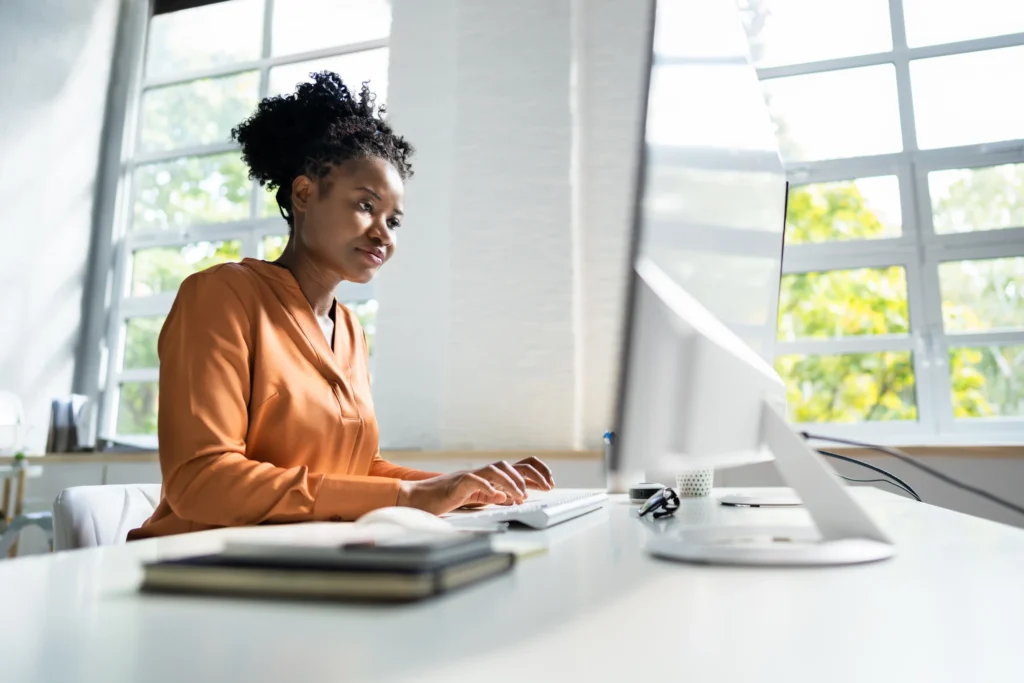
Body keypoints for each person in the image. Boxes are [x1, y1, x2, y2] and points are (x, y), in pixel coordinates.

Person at [128, 72, 554, 540]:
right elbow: (202, 481)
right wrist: (409, 498)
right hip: (195, 567)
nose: (384, 233)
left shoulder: (348, 329)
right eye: (366, 206)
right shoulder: (221, 297)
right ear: (305, 194)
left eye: (393, 219)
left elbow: (357, 467)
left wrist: (461, 487)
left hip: (303, 560)